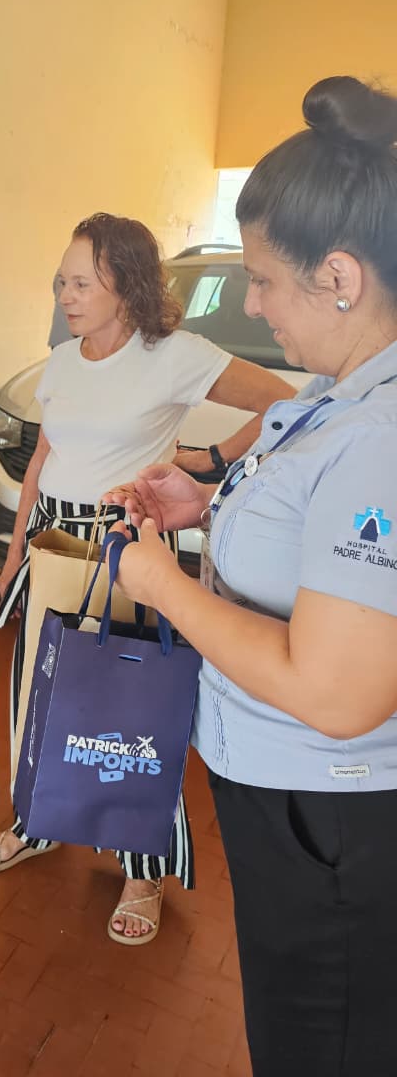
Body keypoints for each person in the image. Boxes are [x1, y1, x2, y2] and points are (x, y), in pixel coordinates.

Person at [105, 76, 397, 1072]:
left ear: (342, 277)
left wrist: (166, 584)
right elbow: (302, 515)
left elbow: (338, 689)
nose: (252, 302)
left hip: (334, 821)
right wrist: (205, 501)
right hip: (289, 800)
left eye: (264, 278)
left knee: (322, 1035)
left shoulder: (383, 435)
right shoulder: (343, 391)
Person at [0, 212, 293, 945]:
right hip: (53, 545)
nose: (66, 295)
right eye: (62, 282)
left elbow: (282, 400)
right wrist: (16, 546)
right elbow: (44, 458)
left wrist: (206, 464)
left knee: (125, 713)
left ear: (127, 285)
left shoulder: (172, 353)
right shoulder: (62, 359)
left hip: (124, 546)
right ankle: (37, 820)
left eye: (82, 282)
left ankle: (141, 869)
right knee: (40, 697)